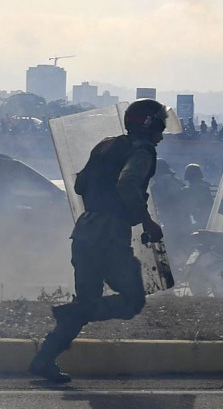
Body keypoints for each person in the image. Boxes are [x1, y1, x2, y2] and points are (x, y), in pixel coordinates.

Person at [28, 99, 168, 383]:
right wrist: (146, 220)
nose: (162, 135)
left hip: (84, 231)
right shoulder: (142, 152)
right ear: (149, 125)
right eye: (160, 127)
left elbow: (80, 185)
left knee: (88, 300)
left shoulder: (106, 146)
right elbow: (128, 183)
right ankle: (69, 313)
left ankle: (43, 360)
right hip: (110, 235)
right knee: (132, 301)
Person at [181, 163, 214, 232]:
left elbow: (186, 210)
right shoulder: (213, 187)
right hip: (216, 222)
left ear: (188, 177)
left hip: (201, 224)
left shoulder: (187, 191)